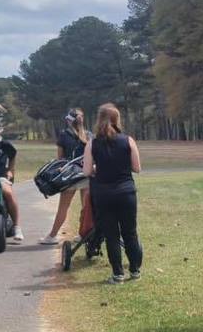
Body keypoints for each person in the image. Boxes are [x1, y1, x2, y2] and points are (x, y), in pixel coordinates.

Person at [82, 103, 143, 284]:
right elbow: (137, 168)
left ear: (98, 120)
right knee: (130, 233)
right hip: (126, 193)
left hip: (103, 194)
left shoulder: (92, 144)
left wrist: (96, 168)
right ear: (117, 120)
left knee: (112, 235)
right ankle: (135, 270)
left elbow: (86, 172)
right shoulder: (128, 140)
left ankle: (117, 274)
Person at [39, 108, 91, 245]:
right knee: (86, 208)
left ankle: (52, 236)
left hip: (69, 176)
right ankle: (83, 235)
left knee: (63, 207)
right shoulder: (89, 135)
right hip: (86, 175)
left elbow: (60, 159)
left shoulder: (63, 135)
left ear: (69, 120)